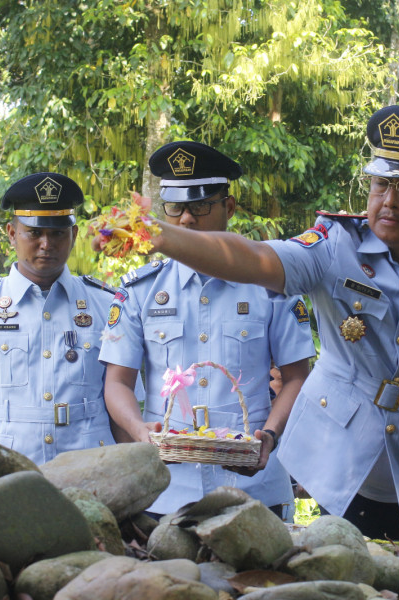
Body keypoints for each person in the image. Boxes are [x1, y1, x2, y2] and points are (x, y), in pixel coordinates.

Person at [144, 106, 399, 547]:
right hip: (346, 477)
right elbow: (255, 258)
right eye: (380, 184)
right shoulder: (333, 245)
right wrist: (159, 235)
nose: (389, 202)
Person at [100, 141, 314, 520]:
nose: (185, 220)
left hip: (253, 486)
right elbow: (117, 382)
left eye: (200, 206)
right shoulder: (140, 289)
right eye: (175, 208)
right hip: (164, 490)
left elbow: (298, 376)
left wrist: (271, 434)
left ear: (228, 208)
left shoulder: (270, 286)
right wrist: (138, 430)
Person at [0, 172, 123, 465]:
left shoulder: (107, 305)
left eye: (57, 232)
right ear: (11, 233)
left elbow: (122, 401)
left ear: (74, 235)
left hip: (93, 464)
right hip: (5, 469)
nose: (47, 243)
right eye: (34, 232)